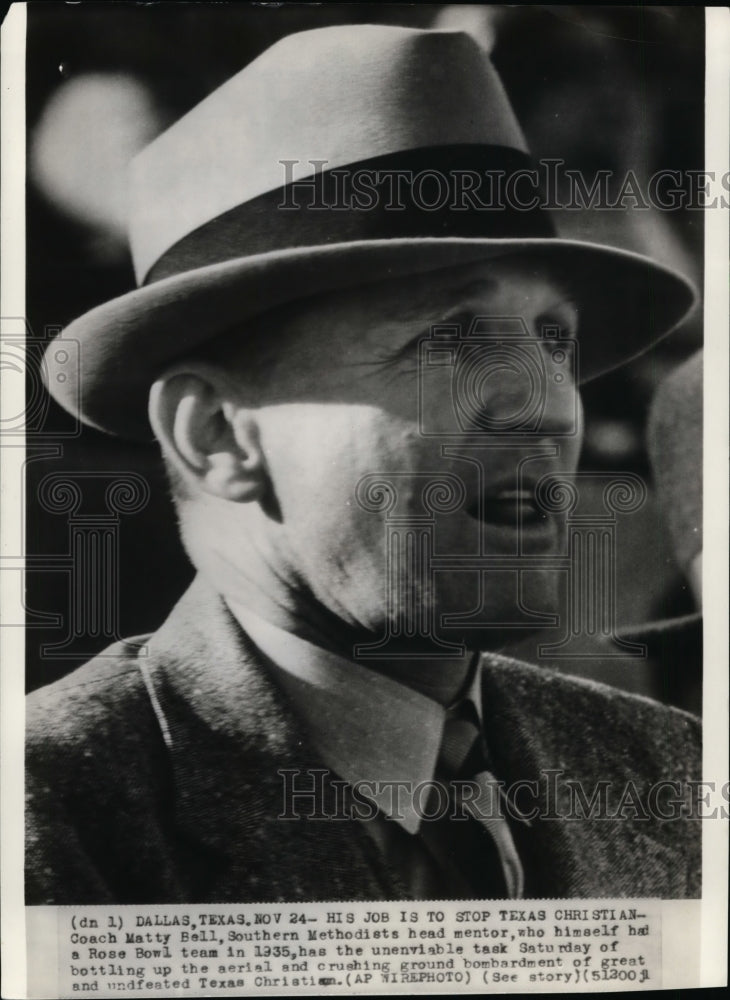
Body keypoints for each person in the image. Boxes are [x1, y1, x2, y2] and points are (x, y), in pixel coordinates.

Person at [26, 24, 701, 903]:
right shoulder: (49, 815)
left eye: (552, 337)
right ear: (218, 436)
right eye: (448, 337)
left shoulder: (668, 770)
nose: (543, 400)